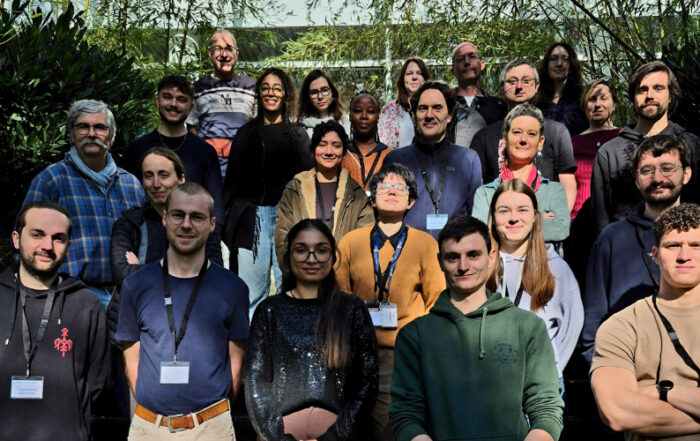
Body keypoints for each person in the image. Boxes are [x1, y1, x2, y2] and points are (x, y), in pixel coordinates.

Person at [389, 215, 564, 441]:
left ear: (491, 257)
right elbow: (405, 416)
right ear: (440, 261)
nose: (463, 266)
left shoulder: (528, 327)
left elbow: (546, 410)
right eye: (453, 257)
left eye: (473, 255)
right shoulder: (415, 336)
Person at [117, 183, 249, 440]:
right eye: (178, 215)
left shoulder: (234, 288)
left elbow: (236, 366)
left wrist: (213, 416)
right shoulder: (135, 286)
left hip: (212, 428)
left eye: (197, 217)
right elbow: (131, 361)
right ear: (165, 219)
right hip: (150, 428)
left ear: (212, 224)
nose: (186, 225)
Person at [336, 163, 445, 441]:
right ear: (372, 198)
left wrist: (421, 348)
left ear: (411, 201)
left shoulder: (425, 244)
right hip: (358, 352)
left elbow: (436, 299)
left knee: (392, 429)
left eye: (400, 187)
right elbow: (340, 297)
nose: (392, 191)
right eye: (384, 186)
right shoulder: (350, 242)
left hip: (403, 353)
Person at [245, 219, 378, 441]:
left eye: (321, 250)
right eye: (301, 250)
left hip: (340, 435)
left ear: (333, 256)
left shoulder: (352, 309)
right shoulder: (269, 311)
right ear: (288, 256)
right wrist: (279, 437)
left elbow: (366, 381)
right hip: (280, 434)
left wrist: (334, 436)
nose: (311, 258)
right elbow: (256, 383)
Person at [0, 202, 110, 441]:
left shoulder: (86, 305)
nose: (47, 246)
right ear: (16, 239)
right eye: (37, 234)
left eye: (58, 238)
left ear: (68, 247)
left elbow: (97, 383)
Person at [591, 203, 700, 441]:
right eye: (673, 246)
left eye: (695, 245)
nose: (684, 256)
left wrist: (664, 392)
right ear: (655, 255)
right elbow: (618, 413)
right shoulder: (622, 326)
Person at [20, 99, 144, 308]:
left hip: (128, 295)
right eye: (83, 127)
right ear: (72, 135)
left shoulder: (131, 185)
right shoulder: (52, 180)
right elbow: (25, 240)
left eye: (100, 127)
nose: (92, 133)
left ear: (111, 137)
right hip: (71, 296)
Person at [582, 134, 692, 365]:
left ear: (687, 173)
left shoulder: (698, 235)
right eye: (647, 171)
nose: (657, 178)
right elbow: (593, 326)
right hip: (629, 372)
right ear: (636, 180)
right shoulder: (611, 240)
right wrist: (611, 375)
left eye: (667, 168)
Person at [223, 67, 313, 320]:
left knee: (290, 288)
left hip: (288, 218)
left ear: (285, 95)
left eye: (277, 88)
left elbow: (307, 181)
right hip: (252, 220)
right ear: (258, 94)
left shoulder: (297, 134)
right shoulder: (246, 134)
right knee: (251, 293)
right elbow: (232, 182)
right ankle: (252, 342)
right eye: (265, 88)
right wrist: (230, 223)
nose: (271, 93)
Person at [486, 179, 583, 377]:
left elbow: (572, 327)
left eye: (522, 210)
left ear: (535, 218)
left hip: (540, 385)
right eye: (504, 211)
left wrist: (551, 372)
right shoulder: (480, 268)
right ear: (493, 218)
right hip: (489, 383)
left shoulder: (556, 269)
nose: (513, 218)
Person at [590, 61, 700, 235]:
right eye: (642, 90)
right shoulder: (610, 153)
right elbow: (601, 220)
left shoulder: (692, 146)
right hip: (626, 247)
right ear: (633, 98)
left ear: (670, 96)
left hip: (681, 246)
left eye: (658, 88)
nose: (649, 95)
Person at [120, 75, 224, 255]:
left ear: (191, 107)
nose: (173, 104)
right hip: (146, 244)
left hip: (193, 242)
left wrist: (211, 246)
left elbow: (216, 206)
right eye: (167, 97)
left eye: (181, 99)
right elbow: (126, 201)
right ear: (157, 101)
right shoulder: (137, 149)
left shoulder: (204, 151)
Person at [471, 58, 578, 212]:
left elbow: (567, 182)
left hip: (545, 217)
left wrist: (560, 218)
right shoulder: (484, 136)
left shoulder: (556, 132)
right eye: (512, 81)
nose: (519, 86)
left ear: (536, 86)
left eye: (526, 81)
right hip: (499, 219)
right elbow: (475, 187)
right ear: (502, 88)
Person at [384, 81, 482, 237]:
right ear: (414, 116)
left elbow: (475, 218)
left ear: (449, 116)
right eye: (423, 108)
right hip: (408, 249)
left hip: (455, 248)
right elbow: (386, 217)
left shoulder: (468, 160)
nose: (429, 115)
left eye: (437, 108)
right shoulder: (396, 160)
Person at [275, 120, 374, 272]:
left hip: (342, 278)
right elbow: (283, 237)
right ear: (312, 150)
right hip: (302, 275)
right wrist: (296, 273)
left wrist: (344, 274)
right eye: (322, 145)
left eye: (336, 145)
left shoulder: (356, 195)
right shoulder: (294, 189)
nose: (329, 151)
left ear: (344, 152)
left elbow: (364, 241)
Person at [472, 104, 570, 243]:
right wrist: (538, 221)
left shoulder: (554, 191)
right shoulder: (485, 194)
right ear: (505, 139)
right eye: (517, 132)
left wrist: (500, 223)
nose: (523, 140)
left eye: (531, 134)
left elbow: (561, 230)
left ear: (540, 142)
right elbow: (481, 237)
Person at [186, 29, 256, 177]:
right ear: (209, 53)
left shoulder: (252, 87)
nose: (224, 54)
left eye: (229, 48)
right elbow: (193, 132)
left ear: (236, 53)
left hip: (244, 172)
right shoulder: (198, 88)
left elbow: (259, 130)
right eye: (218, 49)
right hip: (209, 172)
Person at [570, 79, 622, 218]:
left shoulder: (623, 138)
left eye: (603, 98)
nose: (597, 104)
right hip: (579, 219)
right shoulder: (573, 143)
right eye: (592, 99)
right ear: (585, 105)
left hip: (615, 219)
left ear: (614, 105)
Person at [446, 42, 506, 149]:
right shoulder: (445, 105)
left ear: (482, 65)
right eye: (460, 59)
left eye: (472, 56)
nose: (467, 62)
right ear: (452, 71)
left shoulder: (498, 106)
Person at [342, 91, 394, 191]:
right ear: (350, 116)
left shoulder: (391, 155)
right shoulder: (340, 154)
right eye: (357, 111)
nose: (364, 116)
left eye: (370, 111)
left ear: (378, 117)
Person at [378, 58, 431, 149]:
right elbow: (385, 148)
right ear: (403, 79)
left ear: (425, 79)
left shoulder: (435, 109)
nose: (414, 77)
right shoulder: (390, 110)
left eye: (419, 73)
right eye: (409, 73)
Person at [536, 42, 588, 136]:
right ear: (547, 65)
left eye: (565, 59)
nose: (559, 64)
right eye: (554, 59)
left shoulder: (583, 98)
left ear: (571, 65)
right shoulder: (536, 100)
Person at [298, 69, 350, 138]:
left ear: (332, 93)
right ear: (307, 97)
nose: (320, 97)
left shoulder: (345, 123)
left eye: (324, 90)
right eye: (314, 92)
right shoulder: (299, 127)